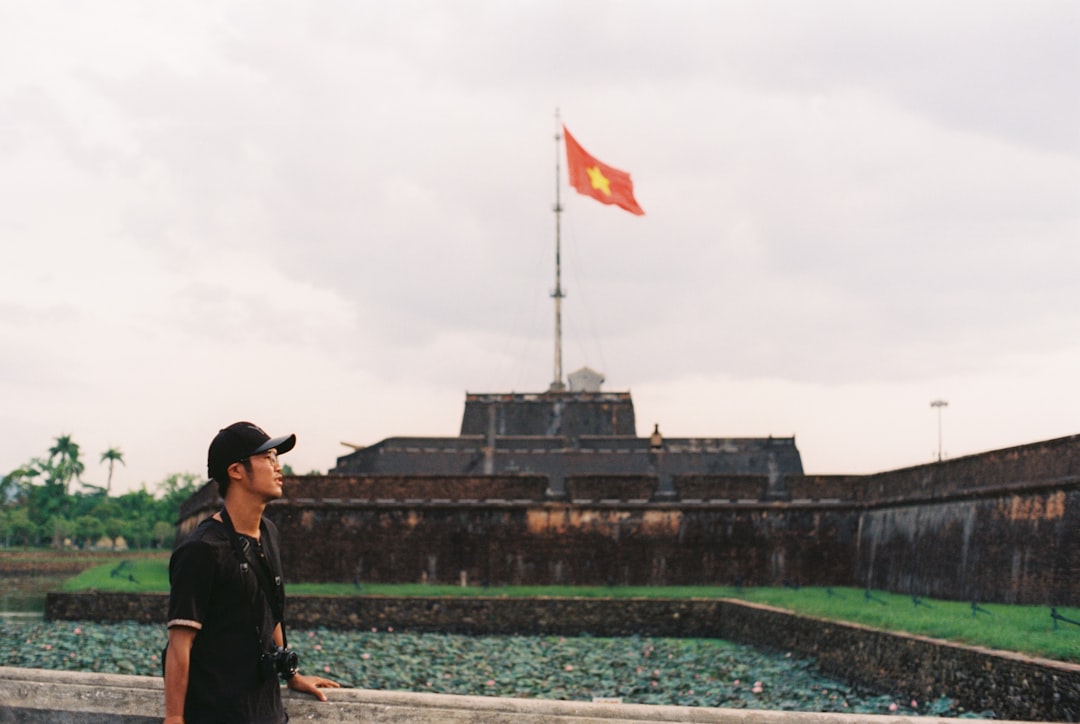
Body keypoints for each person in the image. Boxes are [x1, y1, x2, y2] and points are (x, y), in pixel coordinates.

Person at [164, 421, 339, 723]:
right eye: (268, 458)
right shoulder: (202, 550)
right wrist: (175, 718)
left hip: (268, 712)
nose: (278, 467)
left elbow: (270, 612)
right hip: (218, 714)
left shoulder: (268, 532)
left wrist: (292, 675)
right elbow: (180, 643)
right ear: (236, 471)